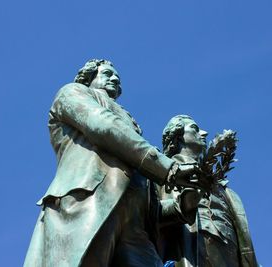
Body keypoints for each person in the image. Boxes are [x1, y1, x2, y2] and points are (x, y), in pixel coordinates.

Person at [24, 60, 202, 267]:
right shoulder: (72, 93)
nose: (116, 79)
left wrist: (182, 204)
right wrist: (168, 168)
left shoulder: (131, 126)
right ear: (88, 77)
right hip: (89, 199)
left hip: (136, 226)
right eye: (108, 74)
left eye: (117, 77)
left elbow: (147, 198)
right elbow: (104, 126)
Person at [158, 115, 259, 267]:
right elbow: (149, 212)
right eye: (195, 129)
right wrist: (183, 205)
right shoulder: (161, 175)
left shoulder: (225, 190)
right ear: (177, 136)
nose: (204, 133)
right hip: (188, 255)